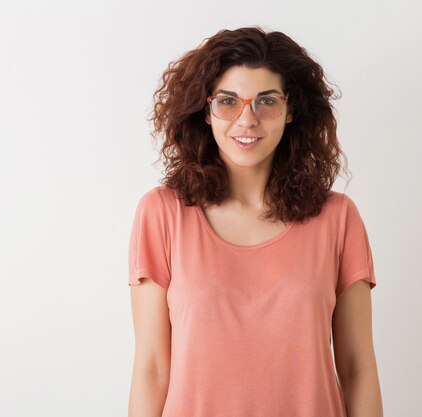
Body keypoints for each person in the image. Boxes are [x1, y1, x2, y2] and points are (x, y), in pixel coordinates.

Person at [127, 26, 383, 417]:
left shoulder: (338, 218)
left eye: (266, 101)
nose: (247, 120)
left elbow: (357, 369)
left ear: (291, 109)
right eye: (228, 101)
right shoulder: (162, 214)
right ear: (205, 110)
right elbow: (152, 370)